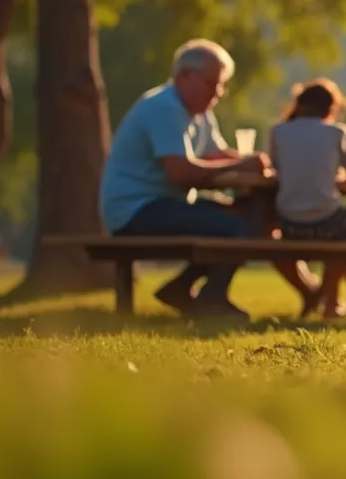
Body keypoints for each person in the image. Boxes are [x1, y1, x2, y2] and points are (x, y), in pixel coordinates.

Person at [100, 39, 273, 319]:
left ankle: (182, 289)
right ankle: (211, 300)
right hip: (136, 211)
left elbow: (216, 155)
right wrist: (243, 164)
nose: (217, 93)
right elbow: (182, 173)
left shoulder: (199, 114)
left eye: (220, 85)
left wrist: (258, 164)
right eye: (210, 83)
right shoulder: (164, 108)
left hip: (164, 205)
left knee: (246, 218)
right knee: (233, 227)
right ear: (184, 76)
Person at [269, 79, 346, 318]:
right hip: (328, 223)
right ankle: (328, 301)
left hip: (289, 224)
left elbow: (276, 170)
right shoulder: (338, 132)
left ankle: (319, 296)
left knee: (269, 238)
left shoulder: (278, 132)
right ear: (331, 109)